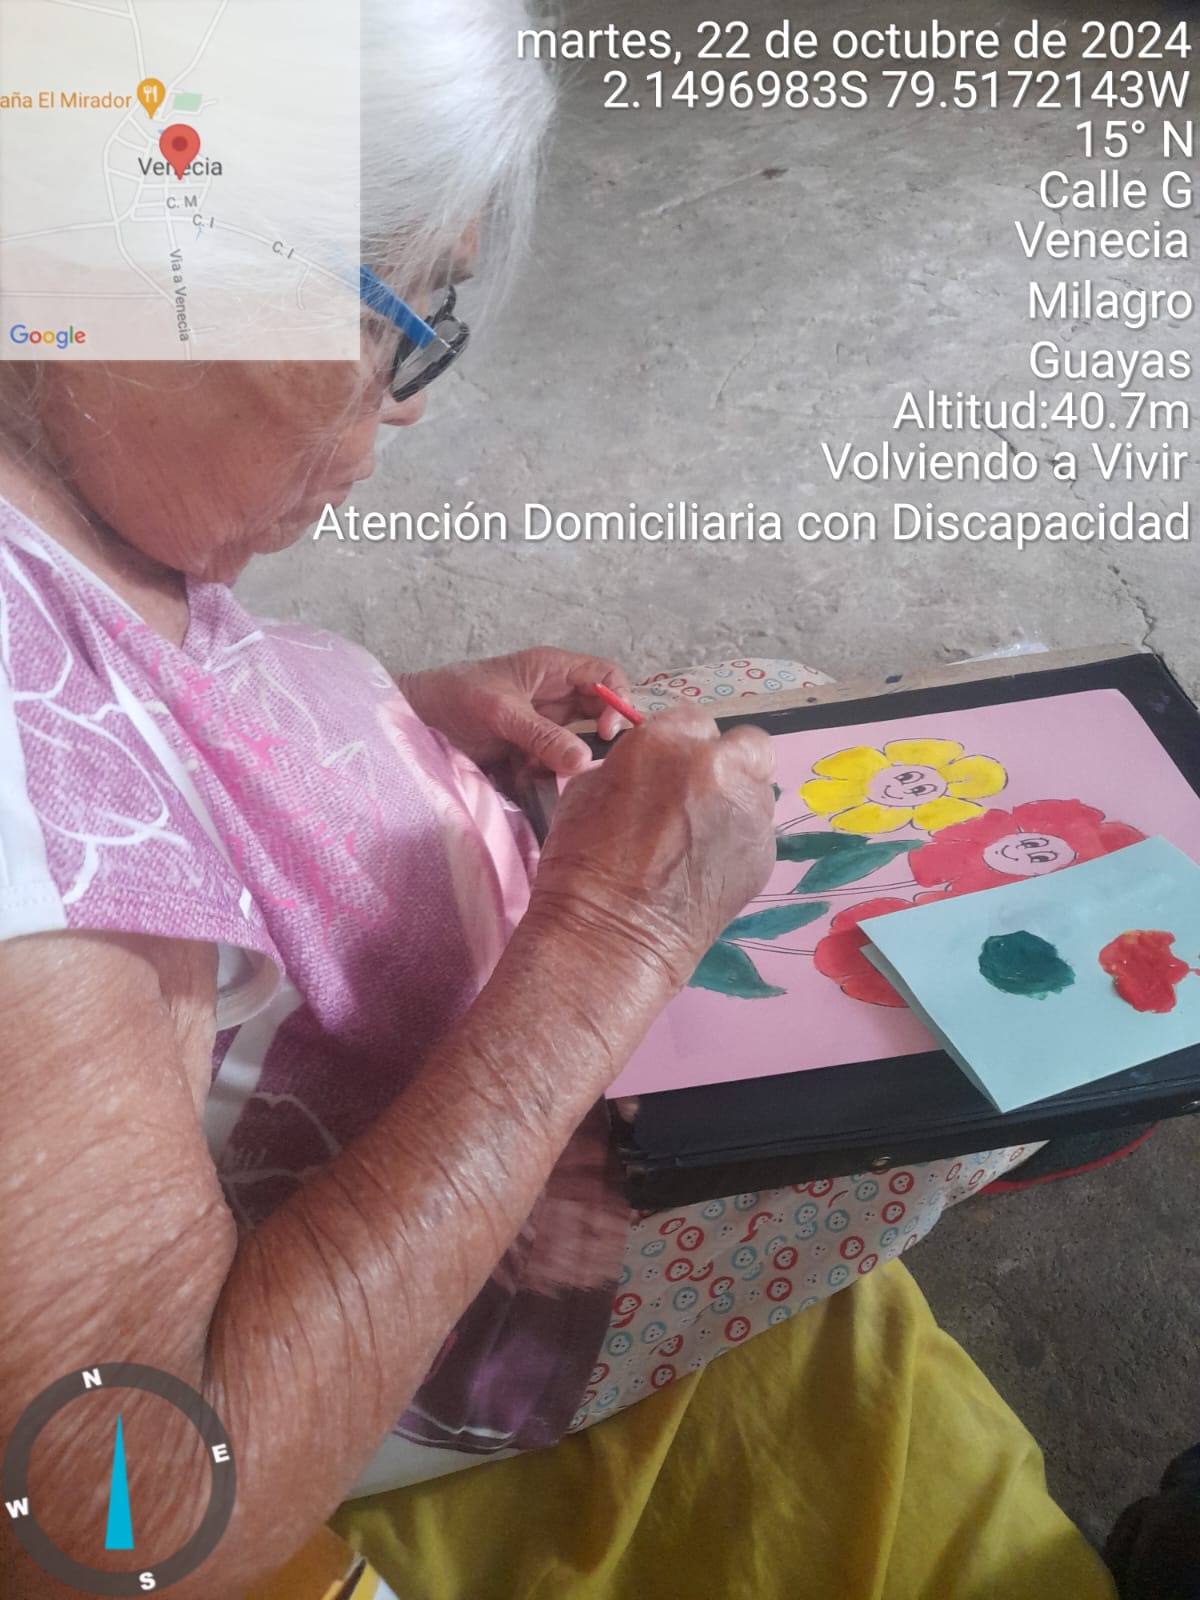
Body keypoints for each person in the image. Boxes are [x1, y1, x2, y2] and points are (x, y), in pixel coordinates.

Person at [0, 3, 1032, 1592]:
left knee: (814, 752)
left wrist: (376, 723)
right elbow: (129, 1508)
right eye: (406, 320)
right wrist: (614, 934)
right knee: (981, 1038)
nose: (408, 402)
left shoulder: (60, 441)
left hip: (484, 957)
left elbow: (148, 750)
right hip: (473, 1264)